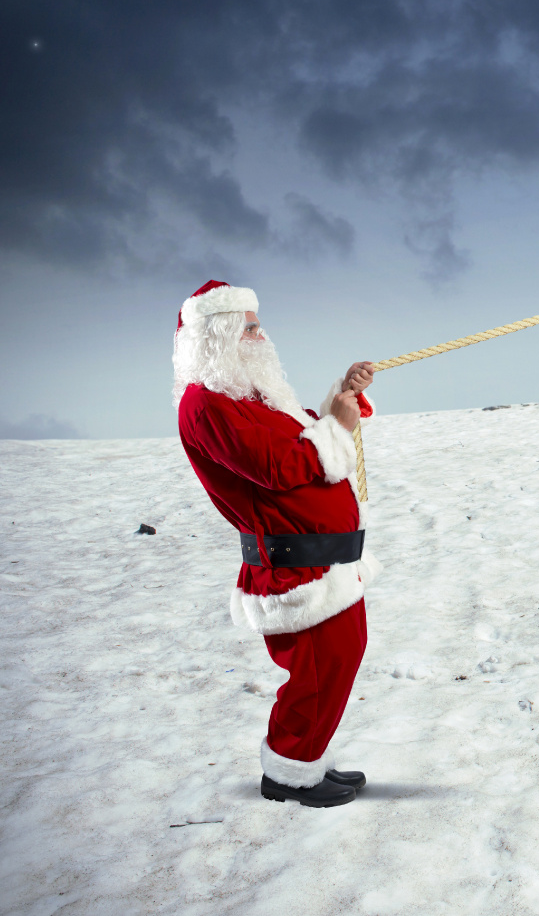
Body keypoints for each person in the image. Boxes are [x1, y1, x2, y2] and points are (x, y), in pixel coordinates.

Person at [173, 280, 379, 808]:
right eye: (248, 327)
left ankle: (309, 758)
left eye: (258, 323)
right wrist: (336, 425)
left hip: (327, 559)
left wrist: (341, 397)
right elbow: (280, 466)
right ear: (216, 335)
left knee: (339, 658)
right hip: (294, 568)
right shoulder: (205, 405)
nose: (261, 335)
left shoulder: (256, 395)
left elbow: (306, 434)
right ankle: (289, 773)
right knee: (315, 668)